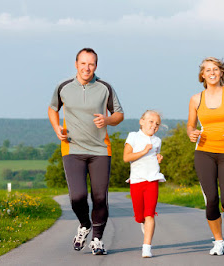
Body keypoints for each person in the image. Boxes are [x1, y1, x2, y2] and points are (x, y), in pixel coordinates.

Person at [48, 48, 124, 255]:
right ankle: (84, 224)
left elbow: (119, 114)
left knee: (100, 197)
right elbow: (52, 108)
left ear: (96, 66)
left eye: (91, 64)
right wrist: (57, 129)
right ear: (76, 64)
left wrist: (107, 119)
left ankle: (97, 240)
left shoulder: (105, 88)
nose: (86, 68)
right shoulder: (63, 87)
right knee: (77, 197)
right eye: (83, 63)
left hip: (100, 149)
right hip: (72, 148)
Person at [187, 57, 224, 256]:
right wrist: (191, 133)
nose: (212, 73)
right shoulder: (196, 99)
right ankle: (219, 241)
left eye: (215, 69)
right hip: (204, 151)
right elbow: (190, 125)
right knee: (211, 199)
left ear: (220, 73)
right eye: (208, 70)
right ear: (202, 75)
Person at [123, 110, 166, 258]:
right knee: (139, 217)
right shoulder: (133, 137)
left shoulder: (157, 141)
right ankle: (142, 222)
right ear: (141, 121)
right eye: (151, 121)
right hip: (136, 181)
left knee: (150, 214)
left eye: (157, 124)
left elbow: (154, 156)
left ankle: (146, 247)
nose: (154, 126)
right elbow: (126, 157)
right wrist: (143, 151)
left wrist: (158, 158)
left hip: (152, 180)